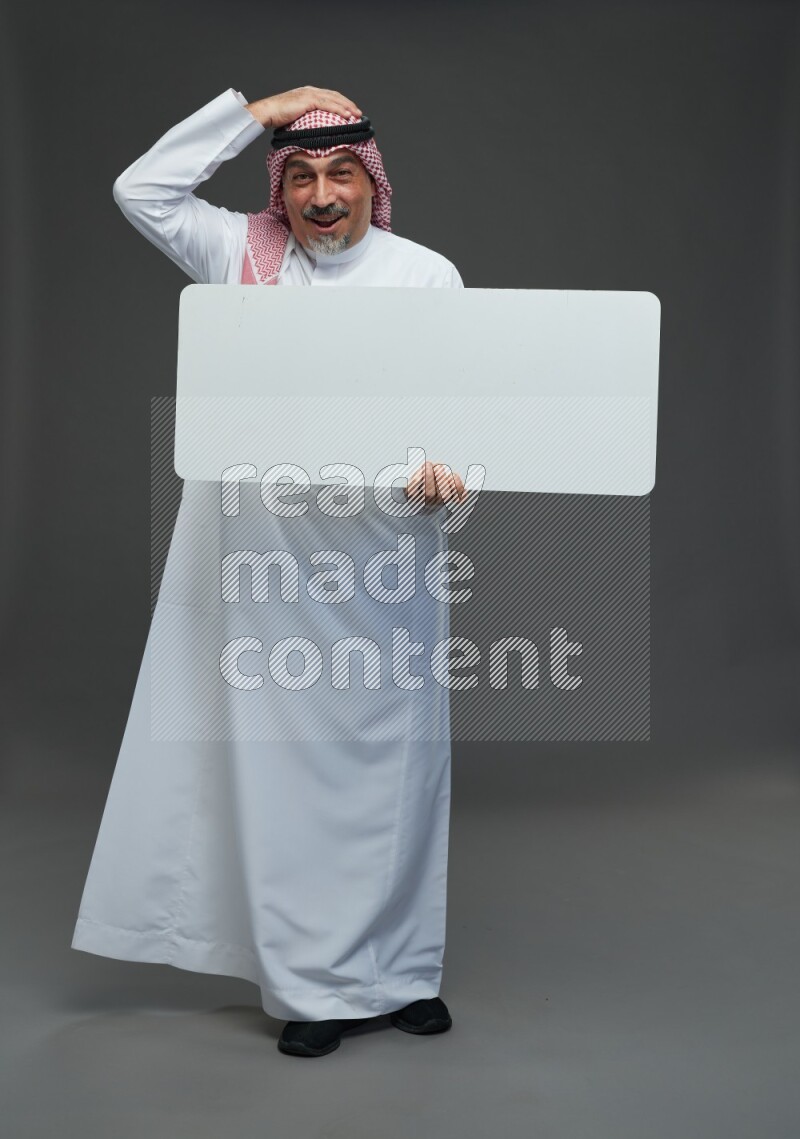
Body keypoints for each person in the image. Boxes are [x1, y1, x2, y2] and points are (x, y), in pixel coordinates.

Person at [71, 85, 466, 1059]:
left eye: (341, 174)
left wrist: (447, 477)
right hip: (262, 578)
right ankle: (313, 985)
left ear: (372, 183)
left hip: (383, 566)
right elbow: (142, 190)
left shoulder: (426, 275)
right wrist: (259, 109)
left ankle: (402, 972)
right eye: (301, 177)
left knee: (395, 773)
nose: (322, 196)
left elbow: (460, 414)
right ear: (279, 188)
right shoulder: (241, 257)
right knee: (287, 782)